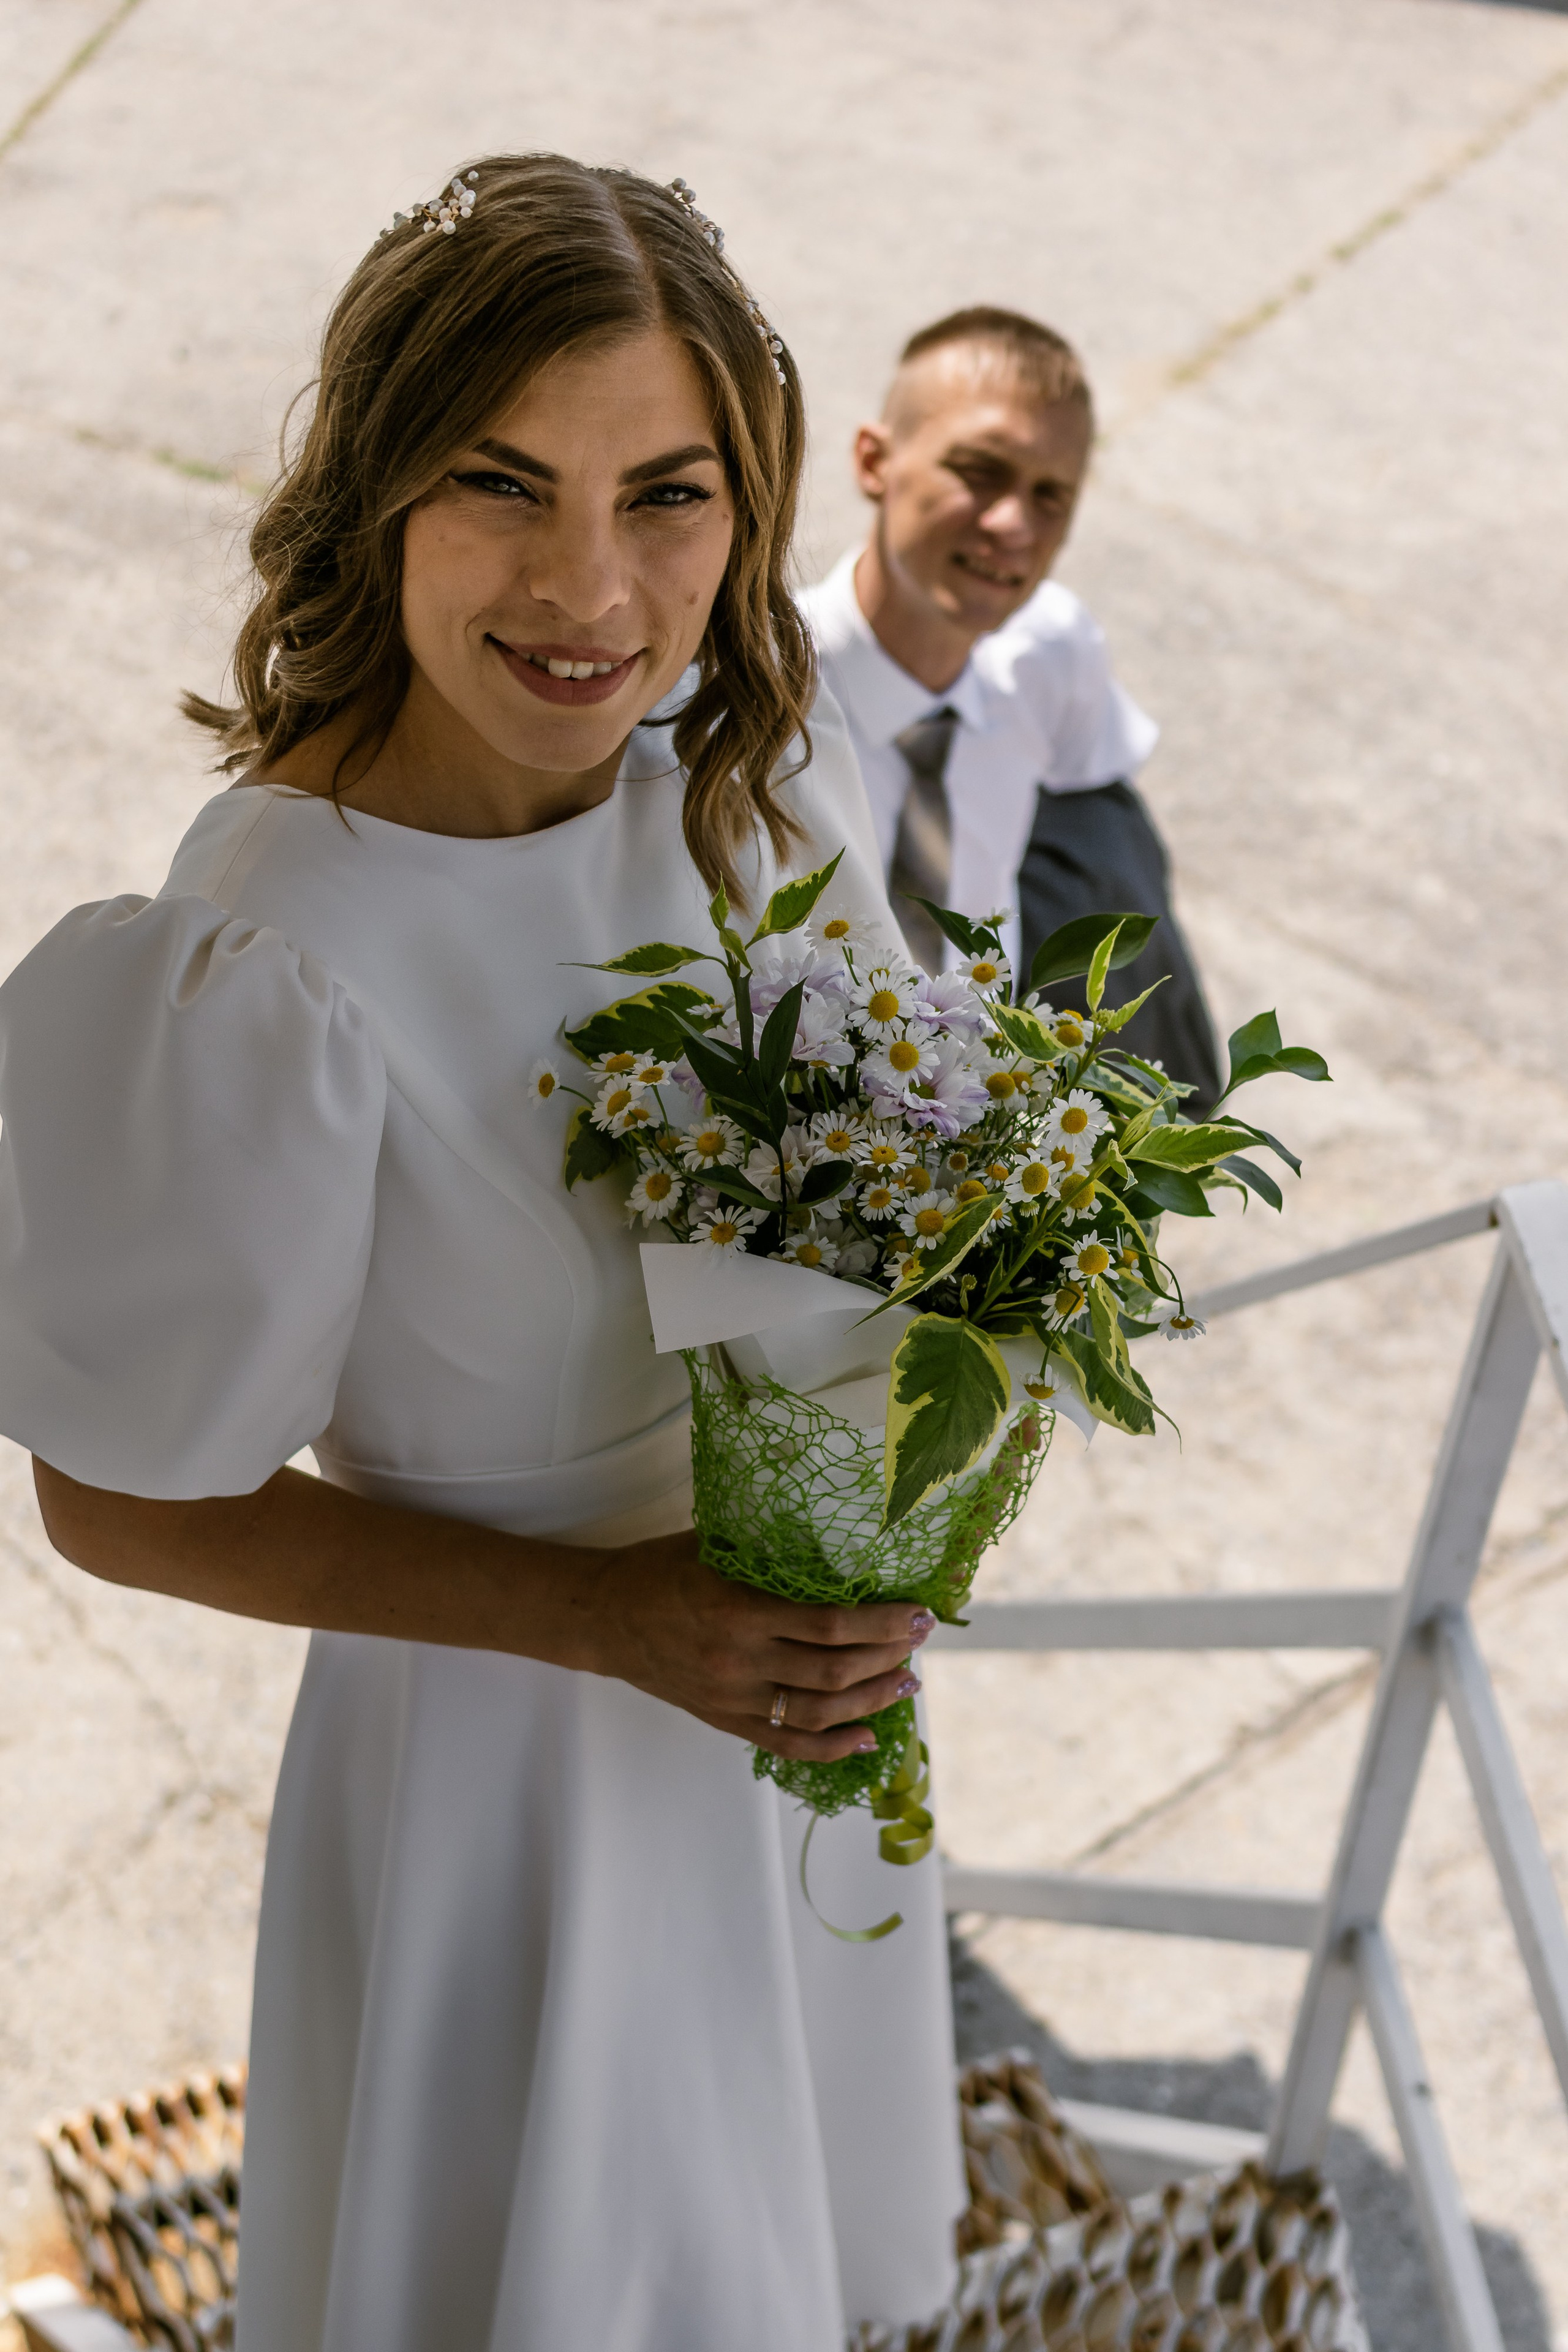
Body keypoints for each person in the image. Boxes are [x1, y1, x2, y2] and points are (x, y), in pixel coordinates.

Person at [0, 156, 963, 2351]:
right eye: (500, 484)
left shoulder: (738, 792)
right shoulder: (262, 958)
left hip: (786, 1726)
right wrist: (601, 1619)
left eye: (670, 496)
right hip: (503, 1778)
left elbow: (910, 1168)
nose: (590, 589)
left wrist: (915, 1471)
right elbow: (111, 1495)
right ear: (373, 495)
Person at [800, 306, 1221, 1109]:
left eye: (1050, 496)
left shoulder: (1051, 651)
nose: (1012, 526)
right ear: (874, 461)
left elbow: (1096, 798)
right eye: (979, 471)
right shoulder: (759, 694)